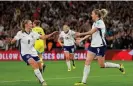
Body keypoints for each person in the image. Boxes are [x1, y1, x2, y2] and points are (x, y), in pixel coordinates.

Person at [74, 9, 125, 85]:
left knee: (102, 65)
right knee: (87, 62)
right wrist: (82, 39)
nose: (91, 15)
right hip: (93, 45)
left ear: (96, 15)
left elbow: (91, 32)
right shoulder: (94, 23)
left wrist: (80, 34)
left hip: (100, 46)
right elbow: (91, 34)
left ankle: (119, 66)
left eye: (92, 14)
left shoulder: (100, 22)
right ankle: (83, 82)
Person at [11, 19, 58, 86]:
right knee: (34, 63)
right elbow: (13, 40)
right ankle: (43, 81)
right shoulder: (20, 33)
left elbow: (44, 37)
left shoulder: (33, 32)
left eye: (31, 23)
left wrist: (52, 34)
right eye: (30, 23)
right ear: (26, 25)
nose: (32, 25)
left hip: (33, 52)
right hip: (25, 53)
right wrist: (13, 41)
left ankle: (39, 77)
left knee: (40, 66)